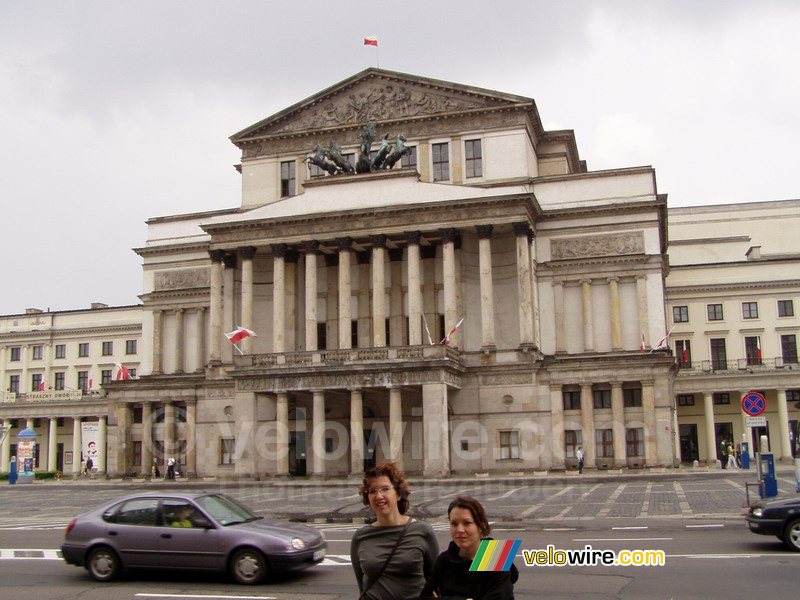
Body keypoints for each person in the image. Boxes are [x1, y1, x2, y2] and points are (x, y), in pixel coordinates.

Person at [351, 462, 439, 600]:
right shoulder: (360, 537)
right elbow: (362, 584)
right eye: (372, 491)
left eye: (385, 489)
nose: (379, 496)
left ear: (398, 494)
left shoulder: (423, 531)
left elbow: (434, 581)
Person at [420, 496, 518, 600]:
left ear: (482, 526)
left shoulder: (494, 556)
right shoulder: (445, 559)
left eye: (467, 523)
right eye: (454, 523)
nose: (460, 530)